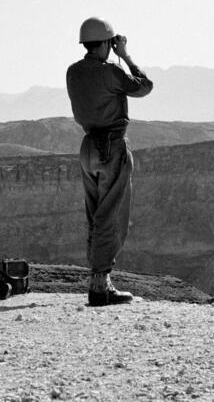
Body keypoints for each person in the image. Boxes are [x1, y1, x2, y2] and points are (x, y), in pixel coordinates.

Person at [65, 18, 154, 306]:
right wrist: (125, 55)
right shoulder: (110, 71)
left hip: (88, 147)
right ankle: (100, 284)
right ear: (106, 43)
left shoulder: (73, 72)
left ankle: (98, 278)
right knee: (111, 216)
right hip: (112, 146)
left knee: (95, 214)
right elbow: (144, 87)